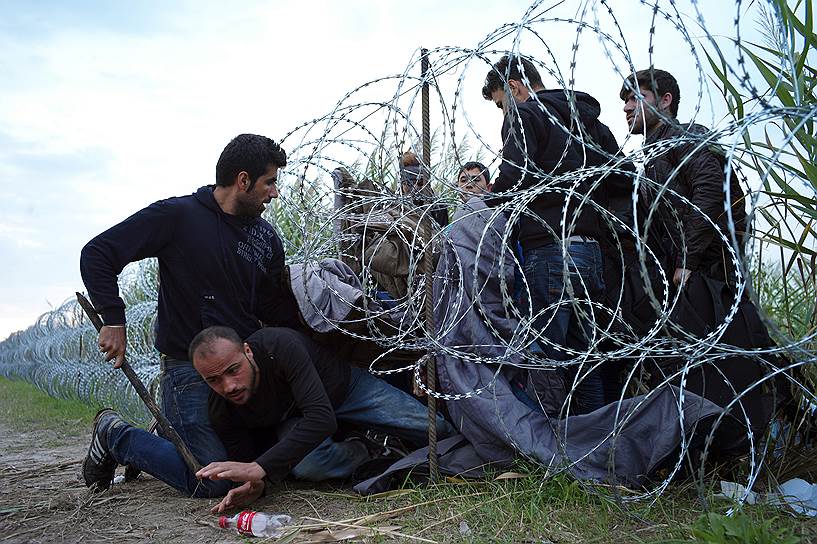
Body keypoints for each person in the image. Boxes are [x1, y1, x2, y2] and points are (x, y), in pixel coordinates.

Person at [80, 134, 299, 497]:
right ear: (243, 180)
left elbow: (269, 308)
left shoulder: (266, 239)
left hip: (244, 371)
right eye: (270, 182)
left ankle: (170, 434)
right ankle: (115, 435)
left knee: (266, 467)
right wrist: (113, 319)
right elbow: (99, 253)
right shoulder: (178, 217)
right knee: (212, 484)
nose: (274, 193)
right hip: (189, 372)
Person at [620, 68, 779, 439]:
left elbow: (709, 195)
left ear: (665, 100)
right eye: (624, 101)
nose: (627, 107)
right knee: (708, 359)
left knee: (730, 355)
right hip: (692, 272)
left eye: (635, 97)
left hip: (711, 269)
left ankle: (748, 435)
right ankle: (717, 438)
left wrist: (687, 261)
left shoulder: (685, 138)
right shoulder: (656, 152)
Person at [189, 326, 455, 513]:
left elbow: (321, 418)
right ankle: (371, 450)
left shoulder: (280, 345)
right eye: (213, 380)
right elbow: (248, 467)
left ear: (248, 351)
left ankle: (384, 437)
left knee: (438, 430)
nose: (229, 386)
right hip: (300, 418)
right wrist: (253, 486)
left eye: (233, 370)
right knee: (310, 467)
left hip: (343, 390)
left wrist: (259, 468)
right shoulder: (221, 410)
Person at [482, 54, 619, 415]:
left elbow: (513, 173)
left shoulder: (525, 113)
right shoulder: (584, 120)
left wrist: (489, 199)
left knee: (546, 359)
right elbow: (619, 174)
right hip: (590, 251)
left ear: (513, 87)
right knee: (586, 357)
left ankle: (552, 447)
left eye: (500, 104)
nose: (502, 112)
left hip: (551, 251)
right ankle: (597, 441)